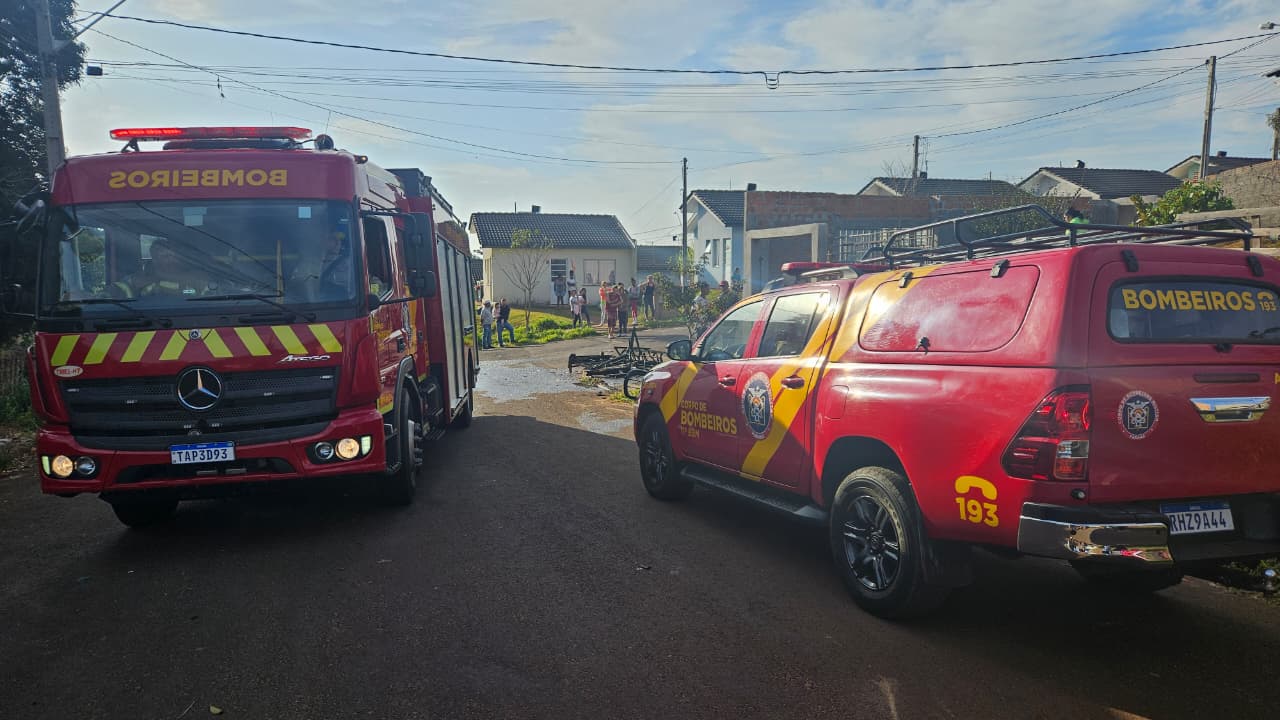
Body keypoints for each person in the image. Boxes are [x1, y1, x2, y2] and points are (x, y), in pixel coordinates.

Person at [117, 238, 212, 298]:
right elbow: (116, 294)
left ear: (178, 257)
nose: (169, 259)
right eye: (158, 255)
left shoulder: (197, 276)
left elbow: (210, 295)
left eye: (169, 255)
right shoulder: (134, 280)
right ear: (153, 258)